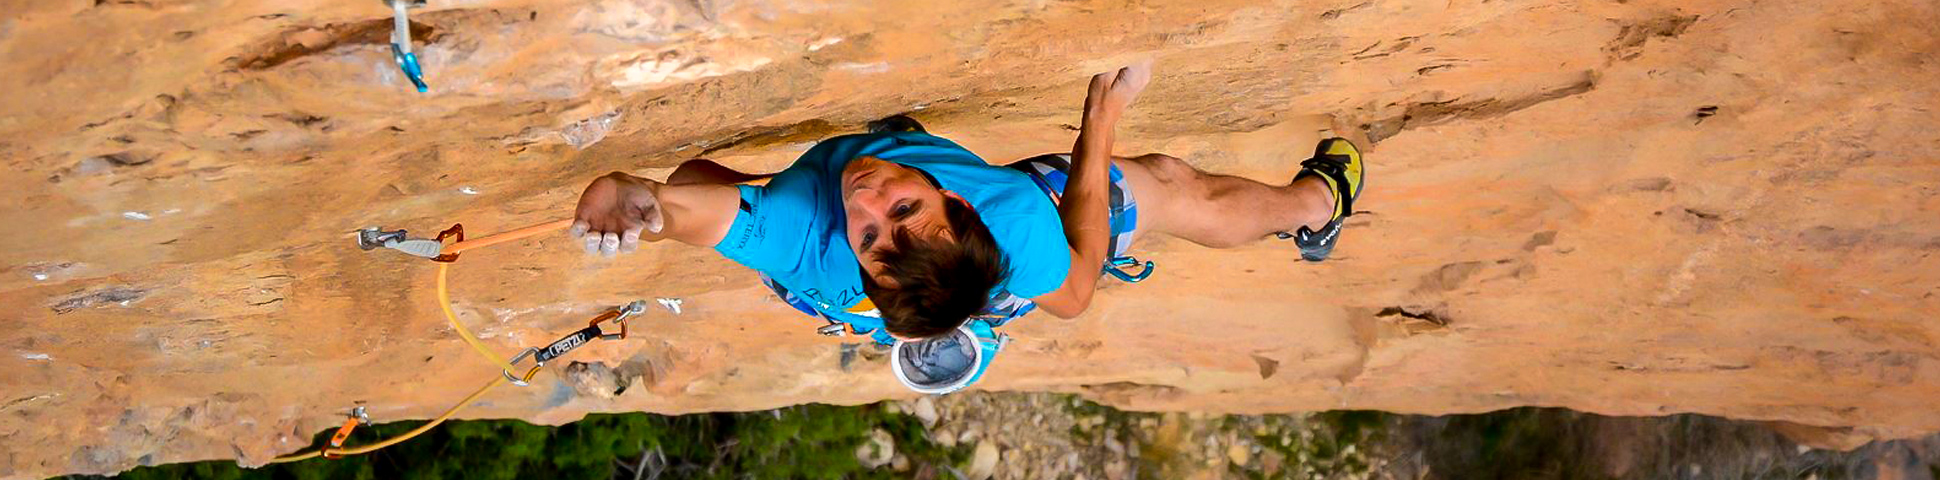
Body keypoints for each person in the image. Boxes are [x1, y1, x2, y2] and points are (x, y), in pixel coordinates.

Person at [569, 62, 1365, 390]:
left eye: (879, 231)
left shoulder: (813, 237)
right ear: (964, 205)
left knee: (710, 191)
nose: (869, 200)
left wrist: (636, 198)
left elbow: (673, 208)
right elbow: (1077, 287)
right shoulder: (1018, 220)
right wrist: (1102, 121)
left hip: (823, 281)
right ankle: (1319, 203)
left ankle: (1312, 212)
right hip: (949, 278)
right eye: (901, 211)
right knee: (1161, 188)